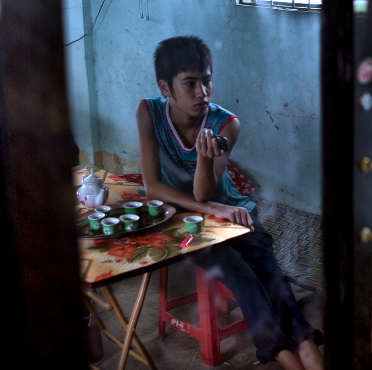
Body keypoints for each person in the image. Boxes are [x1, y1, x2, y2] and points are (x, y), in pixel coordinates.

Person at [135, 36, 324, 370]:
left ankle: (306, 348)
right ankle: (282, 353)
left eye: (207, 81)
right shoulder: (148, 113)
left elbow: (203, 193)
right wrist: (212, 210)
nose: (202, 93)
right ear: (165, 88)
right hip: (188, 223)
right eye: (190, 84)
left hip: (237, 213)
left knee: (272, 276)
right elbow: (152, 187)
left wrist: (206, 166)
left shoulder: (226, 123)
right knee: (242, 276)